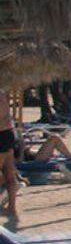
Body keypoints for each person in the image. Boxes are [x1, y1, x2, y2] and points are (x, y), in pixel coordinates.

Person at [0, 91, 18, 226]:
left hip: (2, 134)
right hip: (8, 133)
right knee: (9, 173)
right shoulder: (2, 93)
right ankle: (12, 208)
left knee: (8, 173)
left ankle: (10, 207)